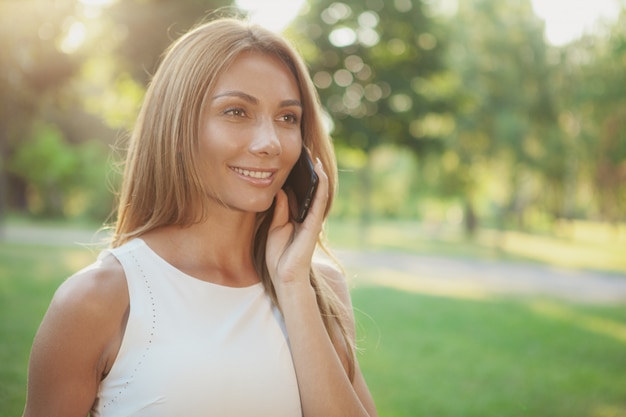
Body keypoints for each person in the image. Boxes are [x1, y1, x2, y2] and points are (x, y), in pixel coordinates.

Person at [22, 17, 378, 417]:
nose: (269, 143)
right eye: (236, 112)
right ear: (177, 128)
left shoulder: (320, 288)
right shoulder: (97, 299)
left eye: (287, 117)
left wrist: (293, 285)